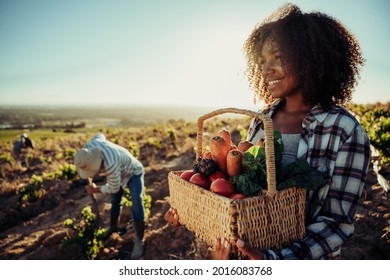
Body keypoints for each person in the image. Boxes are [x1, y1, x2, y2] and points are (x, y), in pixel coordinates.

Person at [165, 3, 370, 260]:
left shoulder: (345, 129)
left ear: (311, 58)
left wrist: (275, 260)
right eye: (262, 61)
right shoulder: (262, 120)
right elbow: (242, 193)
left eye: (278, 58)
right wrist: (192, 211)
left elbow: (337, 222)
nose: (265, 69)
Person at [74, 133, 146, 259]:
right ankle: (113, 228)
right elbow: (99, 135)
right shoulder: (91, 146)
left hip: (133, 172)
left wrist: (96, 189)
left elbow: (114, 188)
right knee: (115, 201)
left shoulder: (110, 165)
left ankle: (139, 240)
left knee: (137, 201)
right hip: (118, 172)